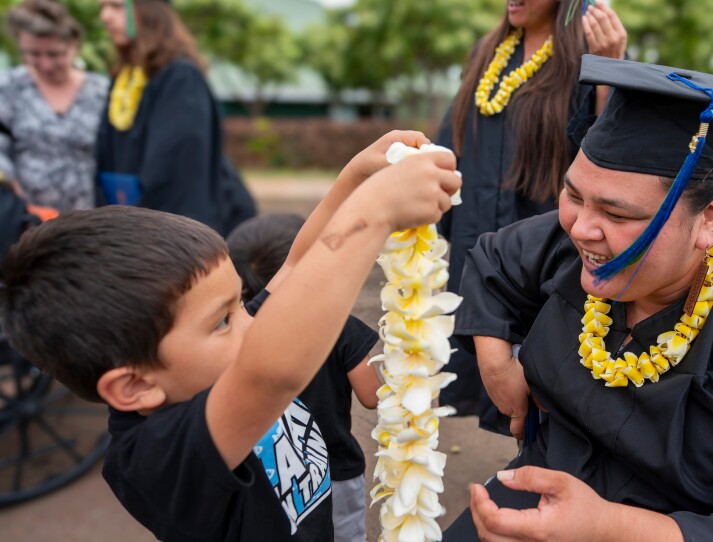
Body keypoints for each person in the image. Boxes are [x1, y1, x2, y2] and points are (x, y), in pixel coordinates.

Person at [445, 55, 713, 540]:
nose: (582, 229)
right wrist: (496, 363)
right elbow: (494, 260)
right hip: (534, 498)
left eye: (617, 212)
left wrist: (608, 528)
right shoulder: (578, 244)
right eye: (574, 195)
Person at [0, 130, 460, 541]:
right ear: (135, 385)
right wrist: (372, 211)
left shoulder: (230, 345)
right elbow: (270, 373)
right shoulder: (156, 458)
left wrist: (356, 176)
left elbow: (296, 265)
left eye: (240, 303)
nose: (252, 321)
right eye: (222, 319)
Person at [436, 0, 627, 426]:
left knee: (551, 384)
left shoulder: (594, 51)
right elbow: (453, 138)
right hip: (480, 233)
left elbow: (609, 158)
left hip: (544, 245)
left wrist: (610, 70)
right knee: (490, 362)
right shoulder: (489, 52)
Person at [227, 213, 383, 542]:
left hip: (269, 475)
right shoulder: (339, 325)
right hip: (334, 469)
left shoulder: (237, 334)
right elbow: (373, 397)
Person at [94, 0, 255, 236]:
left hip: (170, 236)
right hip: (131, 226)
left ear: (151, 14)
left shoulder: (180, 78)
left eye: (116, 6)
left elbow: (175, 174)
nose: (104, 16)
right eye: (103, 6)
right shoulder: (125, 78)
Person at [1, 0, 108, 212]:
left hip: (89, 217)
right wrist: (12, 191)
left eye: (54, 54)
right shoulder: (9, 87)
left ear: (73, 46)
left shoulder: (101, 91)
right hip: (27, 218)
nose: (45, 65)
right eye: (33, 54)